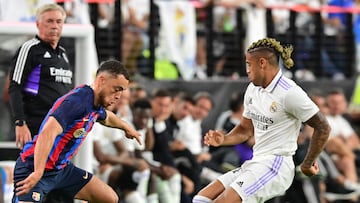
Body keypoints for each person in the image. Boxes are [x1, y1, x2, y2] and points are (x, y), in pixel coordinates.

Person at [192, 37, 330, 203]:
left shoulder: (289, 93)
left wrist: (307, 164)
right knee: (201, 199)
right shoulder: (252, 89)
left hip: (276, 166)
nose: (247, 70)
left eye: (249, 64)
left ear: (262, 63)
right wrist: (224, 139)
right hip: (256, 162)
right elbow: (245, 130)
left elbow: (323, 126)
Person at [11, 59, 141, 203]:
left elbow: (106, 117)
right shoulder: (77, 102)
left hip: (61, 170)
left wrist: (126, 127)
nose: (118, 96)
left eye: (121, 91)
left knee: (109, 198)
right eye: (116, 89)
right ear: (102, 81)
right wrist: (38, 171)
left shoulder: (95, 104)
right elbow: (47, 133)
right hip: (33, 167)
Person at [8, 3, 74, 150]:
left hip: (59, 125)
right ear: (38, 24)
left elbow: (67, 92)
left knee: (56, 171)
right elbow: (14, 87)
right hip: (36, 125)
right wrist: (20, 122)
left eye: (58, 21)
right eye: (49, 21)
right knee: (33, 170)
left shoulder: (63, 54)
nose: (54, 26)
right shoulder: (30, 49)